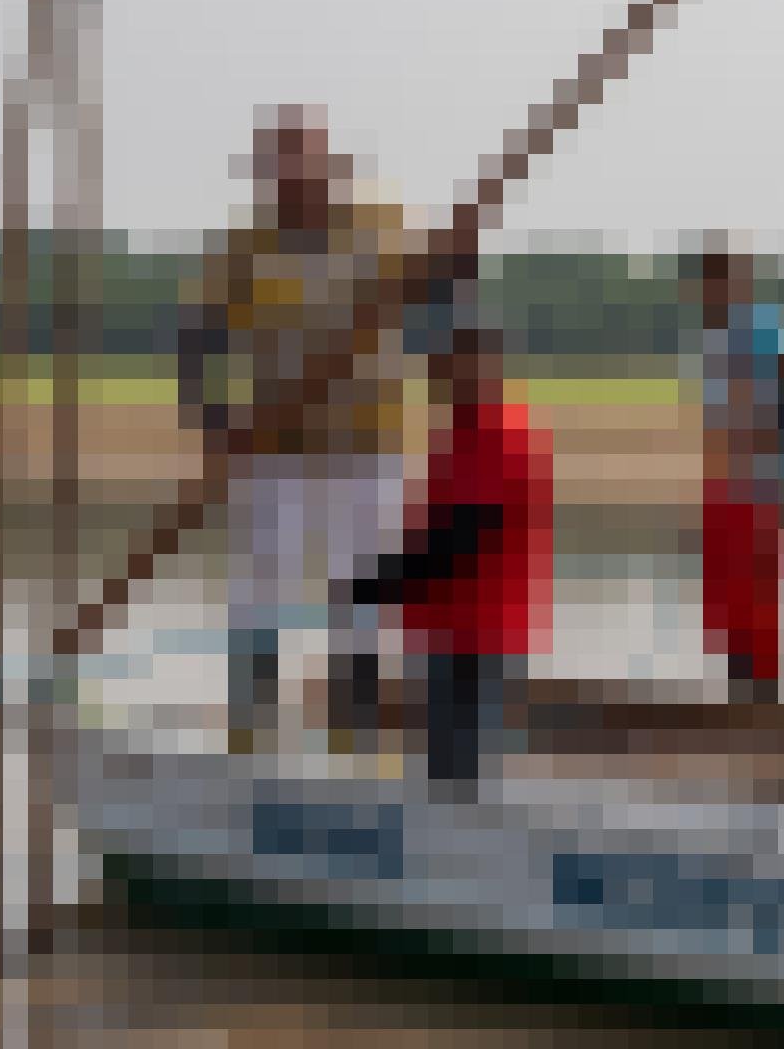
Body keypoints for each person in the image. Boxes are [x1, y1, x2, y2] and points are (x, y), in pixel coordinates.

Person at [177, 107, 419, 756]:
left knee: (362, 593)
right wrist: (213, 421)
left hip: (368, 447)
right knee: (257, 591)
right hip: (273, 449)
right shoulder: (246, 247)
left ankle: (356, 727)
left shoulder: (380, 228)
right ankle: (249, 731)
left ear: (326, 168)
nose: (287, 181)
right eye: (275, 169)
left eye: (299, 166)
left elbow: (436, 306)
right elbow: (197, 338)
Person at [353, 311, 555, 791]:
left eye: (458, 364)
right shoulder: (457, 438)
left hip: (478, 639)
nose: (445, 375)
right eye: (442, 364)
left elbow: (467, 537)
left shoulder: (500, 437)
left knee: (464, 784)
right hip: (446, 634)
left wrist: (385, 585)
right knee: (445, 780)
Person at [691, 236, 784, 705]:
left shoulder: (767, 330)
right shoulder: (714, 338)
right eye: (706, 282)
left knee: (760, 599)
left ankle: (764, 696)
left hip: (765, 484)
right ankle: (741, 689)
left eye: (718, 279)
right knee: (731, 599)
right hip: (729, 485)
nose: (710, 291)